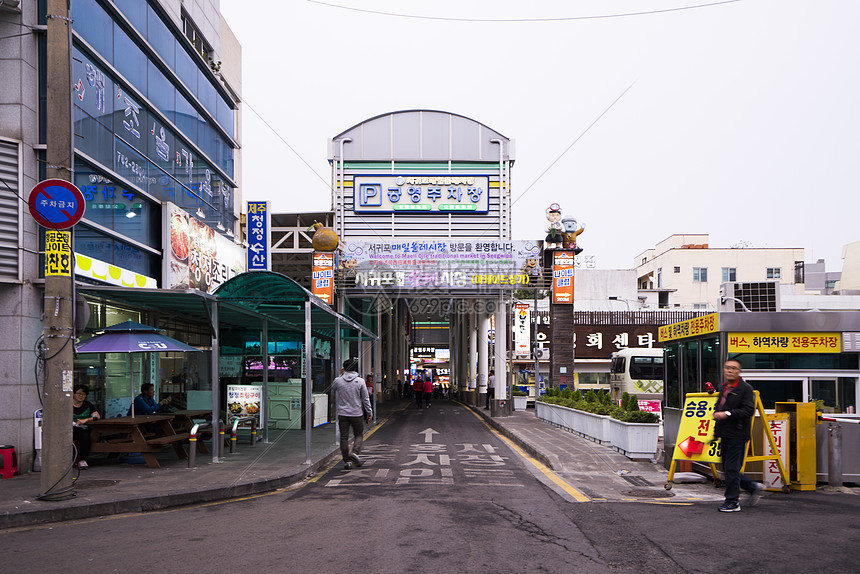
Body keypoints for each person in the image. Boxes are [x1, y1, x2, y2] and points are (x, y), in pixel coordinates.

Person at [712, 359, 765, 512]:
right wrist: (717, 430)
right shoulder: (724, 388)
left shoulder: (745, 389)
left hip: (738, 434)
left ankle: (732, 501)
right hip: (725, 433)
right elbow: (718, 409)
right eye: (727, 368)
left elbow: (748, 410)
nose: (730, 370)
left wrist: (727, 414)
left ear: (739, 372)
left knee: (731, 469)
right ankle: (752, 486)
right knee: (727, 468)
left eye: (733, 368)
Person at [332, 358, 372, 470]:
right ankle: (355, 452)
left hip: (343, 414)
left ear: (344, 368)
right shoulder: (360, 381)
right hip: (357, 413)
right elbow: (365, 398)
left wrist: (341, 375)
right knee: (358, 434)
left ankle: (347, 462)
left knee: (344, 438)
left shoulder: (338, 380)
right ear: (355, 368)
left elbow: (333, 388)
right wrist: (369, 412)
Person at [72, 384, 100, 469]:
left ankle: (83, 460)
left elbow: (97, 416)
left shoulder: (87, 405)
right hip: (71, 429)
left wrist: (86, 420)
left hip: (83, 429)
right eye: (78, 393)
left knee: (85, 436)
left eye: (83, 394)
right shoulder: (67, 405)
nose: (81, 396)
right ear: (73, 394)